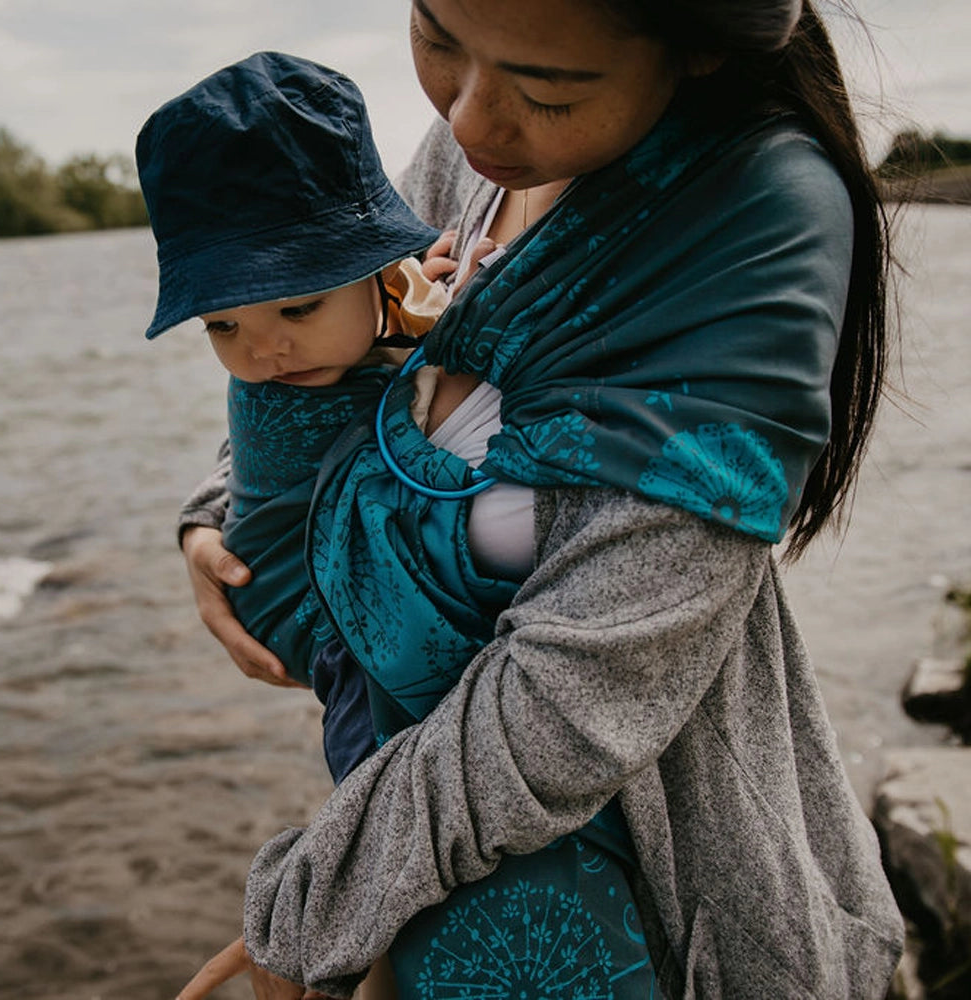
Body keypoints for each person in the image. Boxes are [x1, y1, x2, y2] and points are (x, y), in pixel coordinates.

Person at [174, 1, 907, 997]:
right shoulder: (475, 152)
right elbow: (334, 338)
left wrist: (316, 904)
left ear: (692, 47)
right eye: (437, 36)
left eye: (546, 87)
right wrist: (218, 509)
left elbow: (578, 696)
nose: (470, 122)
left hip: (656, 883)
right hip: (444, 823)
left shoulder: (750, 218)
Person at [137, 52, 464, 781]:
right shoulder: (280, 399)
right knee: (375, 764)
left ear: (382, 274)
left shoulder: (351, 333)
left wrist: (415, 305)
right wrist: (447, 319)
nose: (266, 351)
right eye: (222, 326)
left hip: (318, 597)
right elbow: (420, 417)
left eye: (298, 305)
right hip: (310, 616)